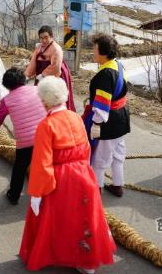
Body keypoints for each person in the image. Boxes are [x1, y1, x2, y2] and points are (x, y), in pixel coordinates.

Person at [19, 76, 116, 273]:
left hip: (61, 178)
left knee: (59, 220)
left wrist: (37, 193)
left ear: (45, 101)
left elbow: (41, 163)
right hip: (83, 173)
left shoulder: (46, 126)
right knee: (85, 217)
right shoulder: (75, 117)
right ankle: (86, 261)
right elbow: (87, 148)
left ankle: (55, 254)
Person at [0, 67, 46, 205]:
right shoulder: (37, 90)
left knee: (20, 168)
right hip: (45, 136)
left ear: (7, 85)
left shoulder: (7, 100)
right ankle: (48, 194)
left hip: (25, 141)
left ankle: (14, 195)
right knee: (46, 164)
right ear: (23, 79)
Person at [84, 34, 131, 197]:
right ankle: (118, 185)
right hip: (122, 118)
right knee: (118, 154)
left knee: (100, 159)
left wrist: (96, 125)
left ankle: (96, 191)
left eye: (95, 49)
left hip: (108, 121)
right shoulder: (118, 64)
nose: (93, 52)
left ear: (103, 53)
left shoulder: (105, 74)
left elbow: (103, 106)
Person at [25, 25, 75, 111]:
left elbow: (55, 66)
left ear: (51, 36)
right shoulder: (39, 47)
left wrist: (43, 75)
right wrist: (27, 75)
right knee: (40, 98)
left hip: (56, 74)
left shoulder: (56, 48)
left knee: (54, 98)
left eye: (46, 37)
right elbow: (33, 62)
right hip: (40, 73)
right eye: (41, 38)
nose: (43, 40)